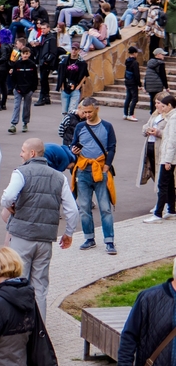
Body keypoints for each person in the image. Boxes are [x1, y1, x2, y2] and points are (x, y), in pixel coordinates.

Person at [0, 138, 79, 316]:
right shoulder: (60, 177)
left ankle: (20, 326)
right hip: (45, 239)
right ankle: (40, 329)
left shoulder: (21, 172)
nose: (20, 154)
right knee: (40, 286)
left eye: (23, 150)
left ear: (32, 153)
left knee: (19, 282)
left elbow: (7, 196)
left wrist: (10, 205)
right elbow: (72, 210)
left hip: (22, 236)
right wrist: (68, 233)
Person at [71, 97, 118, 254]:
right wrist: (74, 150)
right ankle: (89, 238)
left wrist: (107, 166)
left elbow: (112, 147)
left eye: (90, 112)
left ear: (97, 109)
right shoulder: (80, 126)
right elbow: (73, 144)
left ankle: (109, 241)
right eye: (84, 112)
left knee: (105, 208)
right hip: (83, 170)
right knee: (84, 208)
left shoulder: (107, 126)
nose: (87, 115)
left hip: (100, 169)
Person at [142, 92, 176, 223]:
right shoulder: (170, 117)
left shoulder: (172, 119)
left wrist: (167, 160)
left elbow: (172, 141)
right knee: (169, 185)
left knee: (162, 185)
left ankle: (158, 214)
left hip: (168, 157)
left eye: (163, 105)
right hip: (169, 156)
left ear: (169, 105)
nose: (161, 108)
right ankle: (172, 210)